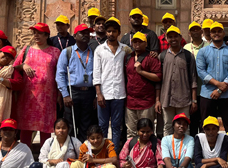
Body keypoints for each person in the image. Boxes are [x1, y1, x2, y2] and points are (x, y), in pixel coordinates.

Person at [14, 23, 61, 146]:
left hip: (47, 97)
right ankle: (24, 154)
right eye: (34, 33)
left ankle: (44, 156)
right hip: (28, 96)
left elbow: (60, 74)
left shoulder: (55, 52)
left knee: (46, 128)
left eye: (39, 33)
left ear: (46, 35)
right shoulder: (26, 50)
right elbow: (14, 68)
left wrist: (60, 94)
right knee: (26, 127)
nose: (36, 35)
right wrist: (23, 65)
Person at [93, 17, 133, 149]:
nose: (111, 34)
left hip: (119, 94)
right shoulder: (99, 50)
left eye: (114, 31)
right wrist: (98, 93)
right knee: (103, 126)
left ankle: (114, 155)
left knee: (116, 126)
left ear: (119, 32)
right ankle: (102, 153)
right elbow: (96, 73)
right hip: (104, 94)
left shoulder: (125, 50)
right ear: (105, 32)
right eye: (108, 31)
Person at [56, 24, 96, 142]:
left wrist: (97, 95)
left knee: (86, 125)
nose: (85, 35)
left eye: (87, 33)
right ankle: (71, 150)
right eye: (82, 33)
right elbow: (60, 74)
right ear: (75, 35)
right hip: (73, 92)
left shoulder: (94, 52)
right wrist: (65, 94)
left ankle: (83, 151)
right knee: (71, 124)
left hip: (89, 92)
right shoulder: (67, 52)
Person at [196, 21, 228, 130]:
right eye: (214, 32)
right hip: (208, 94)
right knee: (206, 125)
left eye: (219, 31)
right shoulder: (203, 51)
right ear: (210, 34)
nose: (217, 34)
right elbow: (201, 71)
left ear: (224, 33)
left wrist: (220, 89)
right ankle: (207, 147)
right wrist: (218, 84)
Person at [156, 26, 197, 136]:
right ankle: (167, 153)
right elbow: (158, 81)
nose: (173, 39)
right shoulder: (162, 56)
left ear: (180, 37)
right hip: (166, 98)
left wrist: (194, 100)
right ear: (166, 38)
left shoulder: (188, 56)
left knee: (185, 127)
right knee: (168, 126)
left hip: (183, 99)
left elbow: (193, 79)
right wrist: (157, 100)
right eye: (170, 37)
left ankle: (185, 152)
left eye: (175, 36)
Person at [125, 32, 162, 138]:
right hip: (130, 102)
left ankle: (149, 154)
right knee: (131, 132)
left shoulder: (151, 58)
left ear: (146, 44)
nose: (137, 44)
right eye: (135, 41)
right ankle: (132, 154)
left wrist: (141, 72)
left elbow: (158, 77)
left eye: (140, 42)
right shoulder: (129, 58)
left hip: (146, 102)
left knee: (147, 132)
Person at [184, 21, 208, 135]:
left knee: (204, 120)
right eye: (192, 30)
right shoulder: (186, 47)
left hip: (205, 89)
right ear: (189, 33)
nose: (195, 32)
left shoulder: (208, 46)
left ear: (201, 31)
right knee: (192, 121)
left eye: (197, 29)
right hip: (190, 90)